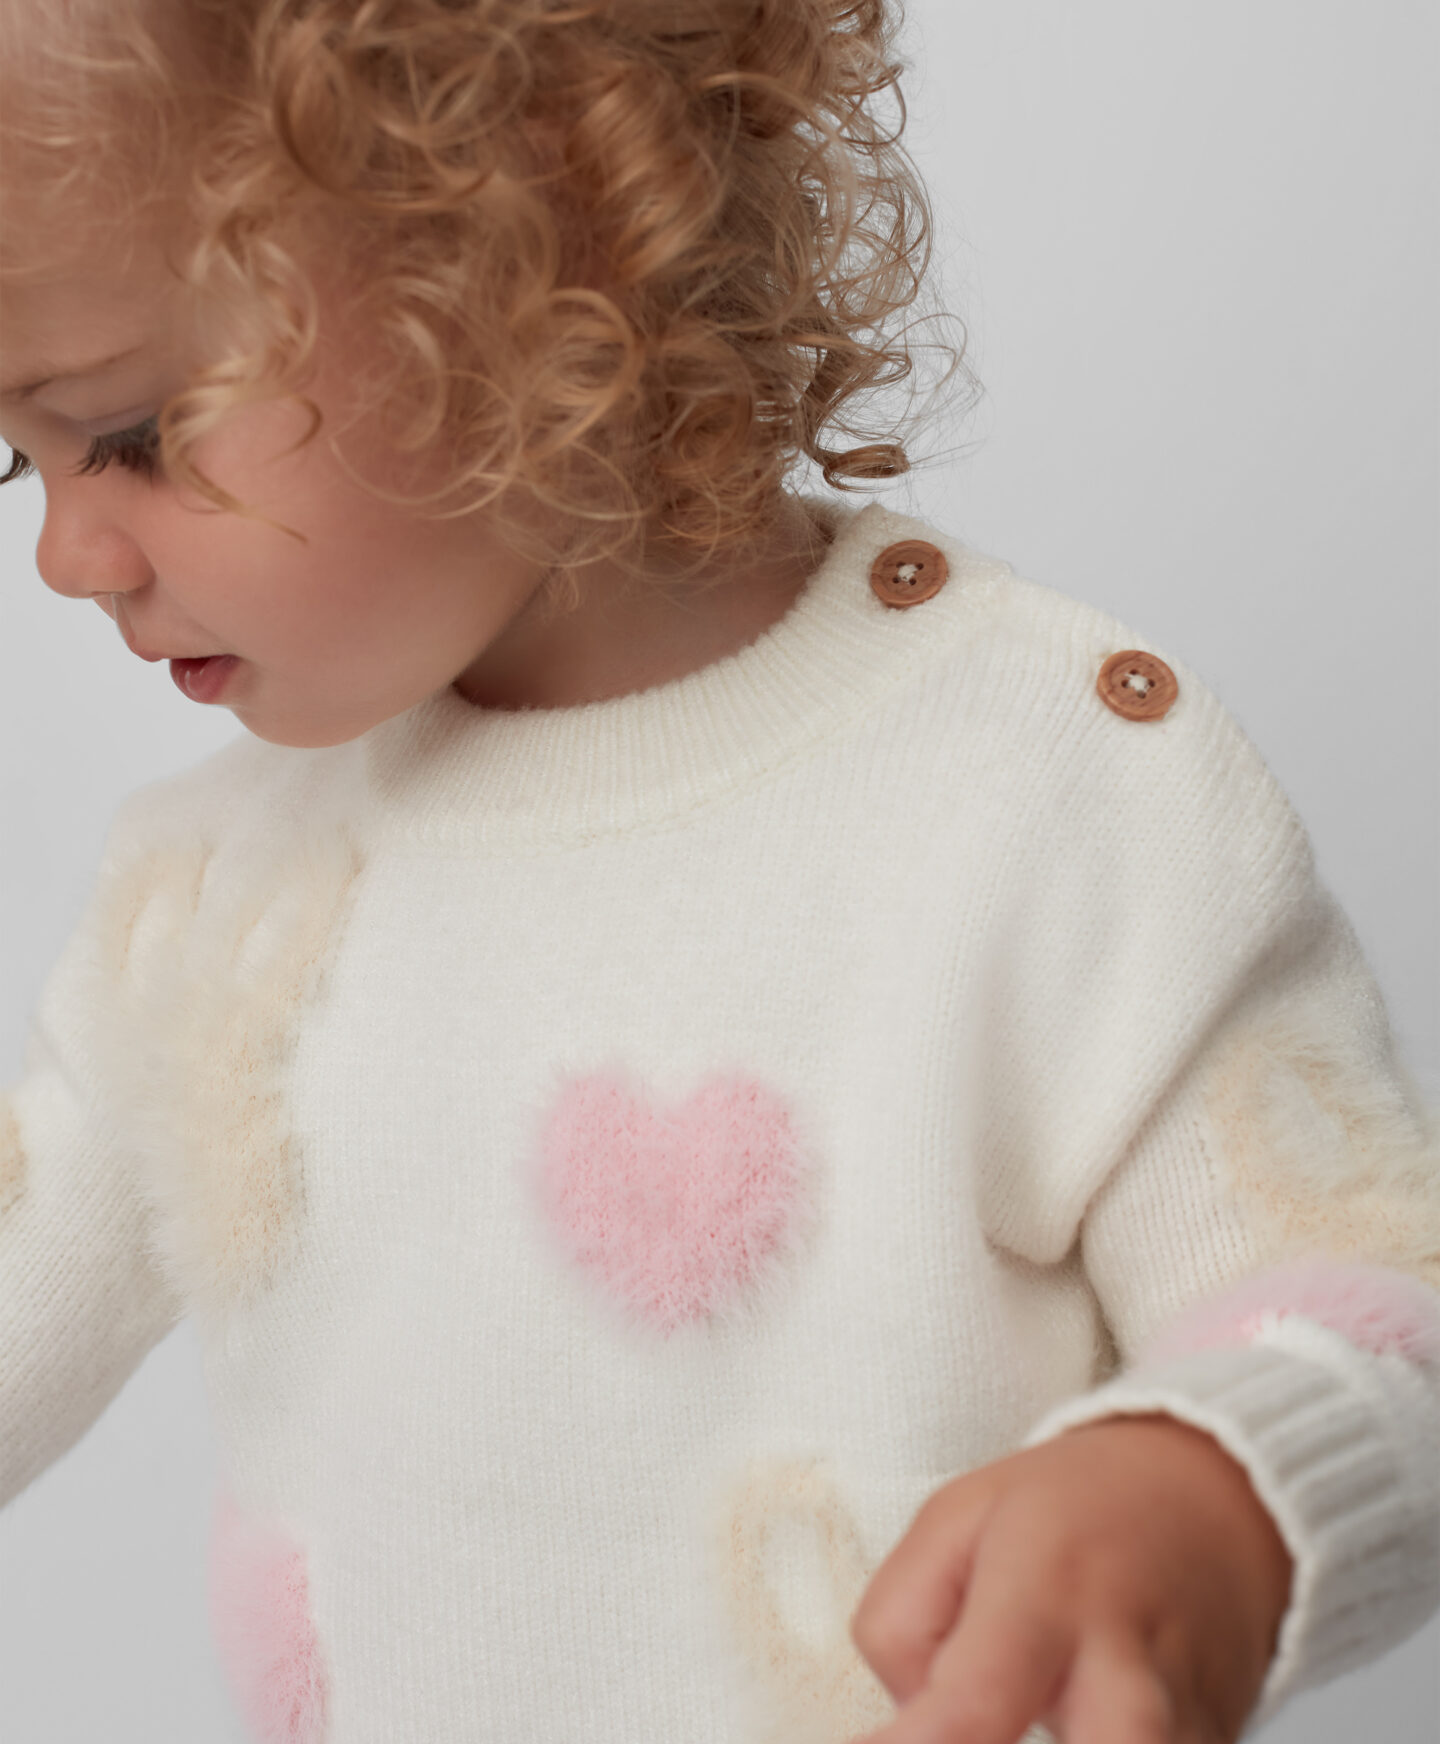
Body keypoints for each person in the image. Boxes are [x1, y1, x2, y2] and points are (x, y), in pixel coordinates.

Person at [0, 4, 1435, 1742]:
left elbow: (1388, 1324)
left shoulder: (1046, 797)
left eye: (129, 432)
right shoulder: (209, 904)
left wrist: (1207, 1483)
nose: (64, 552)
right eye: (20, 453)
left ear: (529, 233)